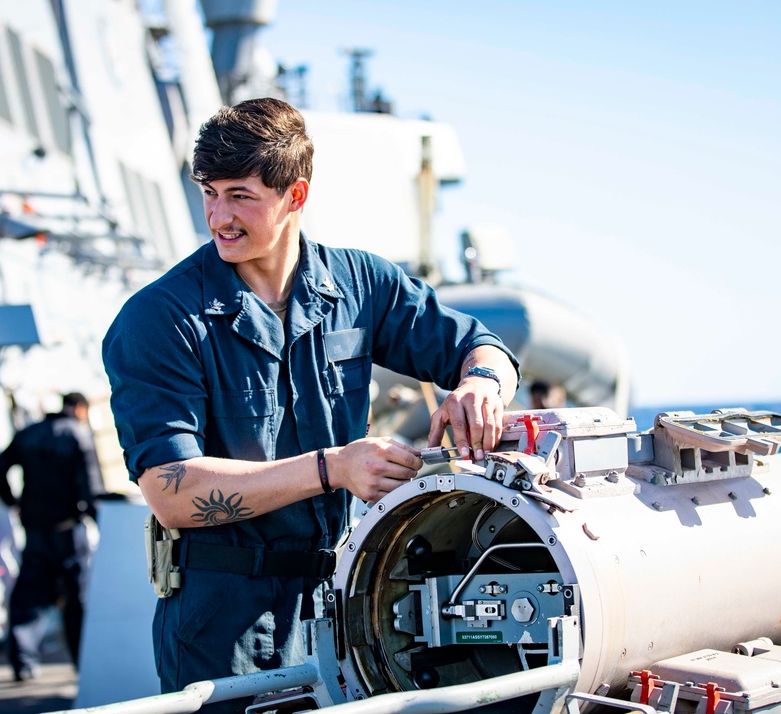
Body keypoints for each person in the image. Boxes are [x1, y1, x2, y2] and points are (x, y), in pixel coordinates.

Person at [102, 97, 520, 709]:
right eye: (209, 193)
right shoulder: (160, 321)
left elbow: (481, 346)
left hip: (355, 608)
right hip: (226, 626)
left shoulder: (360, 286)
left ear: (295, 196)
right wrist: (335, 467)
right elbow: (172, 491)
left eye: (240, 195)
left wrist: (481, 385)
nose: (219, 216)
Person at [0, 391, 104, 682]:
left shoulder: (28, 433)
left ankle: (23, 663)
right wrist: (99, 521)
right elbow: (90, 486)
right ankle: (83, 663)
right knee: (77, 599)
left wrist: (13, 502)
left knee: (28, 596)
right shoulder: (78, 435)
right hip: (69, 532)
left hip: (36, 531)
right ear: (80, 408)